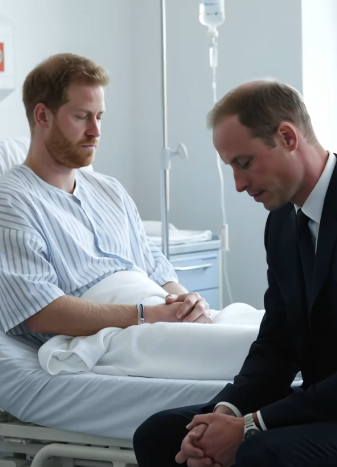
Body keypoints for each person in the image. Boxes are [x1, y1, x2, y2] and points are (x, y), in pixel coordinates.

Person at [133, 80, 337, 467]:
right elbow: (277, 345)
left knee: (265, 456)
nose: (239, 184)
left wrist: (251, 426)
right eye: (231, 168)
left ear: (287, 136)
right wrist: (225, 411)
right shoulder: (282, 224)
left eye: (244, 163)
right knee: (161, 436)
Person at [0, 53, 211, 348]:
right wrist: (146, 315)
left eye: (99, 116)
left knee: (262, 332)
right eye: (82, 116)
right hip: (109, 338)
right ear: (43, 116)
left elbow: (155, 269)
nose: (96, 131)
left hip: (160, 317)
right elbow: (39, 310)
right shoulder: (12, 202)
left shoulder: (111, 191)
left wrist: (188, 303)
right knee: (256, 350)